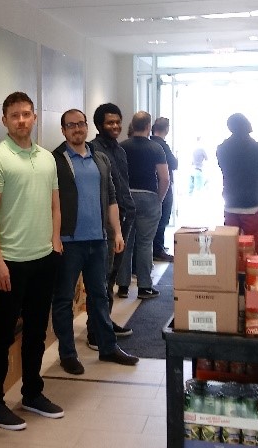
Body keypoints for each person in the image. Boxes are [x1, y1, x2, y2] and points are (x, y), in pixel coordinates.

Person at [0, 92, 64, 430]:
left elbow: (55, 204)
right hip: (11, 263)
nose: (21, 120)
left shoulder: (47, 158)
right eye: (14, 115)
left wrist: (55, 240)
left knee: (36, 331)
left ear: (34, 117)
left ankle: (32, 392)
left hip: (44, 258)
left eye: (26, 114)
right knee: (3, 335)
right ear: (4, 120)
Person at [51, 109, 139, 376]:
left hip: (98, 240)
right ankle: (68, 354)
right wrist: (54, 237)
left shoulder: (100, 158)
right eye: (71, 125)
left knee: (100, 295)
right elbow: (50, 203)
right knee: (64, 299)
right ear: (63, 130)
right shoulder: (55, 160)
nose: (77, 129)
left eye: (81, 124)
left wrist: (117, 233)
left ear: (87, 126)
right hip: (68, 243)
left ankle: (107, 346)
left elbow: (111, 198)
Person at [90, 103, 135, 341]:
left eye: (117, 122)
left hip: (124, 217)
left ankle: (105, 322)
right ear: (99, 125)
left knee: (112, 275)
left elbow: (123, 184)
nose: (115, 126)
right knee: (102, 278)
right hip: (105, 223)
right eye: (110, 122)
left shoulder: (120, 150)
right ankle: (96, 329)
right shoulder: (93, 150)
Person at [118, 111, 169, 299]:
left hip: (127, 198)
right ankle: (144, 287)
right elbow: (164, 178)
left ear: (132, 125)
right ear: (148, 127)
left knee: (126, 243)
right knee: (145, 243)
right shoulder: (156, 148)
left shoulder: (122, 147)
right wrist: (158, 199)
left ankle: (123, 286)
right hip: (148, 197)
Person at [216, 113, 258, 254]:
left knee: (231, 248)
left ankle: (232, 267)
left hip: (231, 202)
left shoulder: (222, 148)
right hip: (253, 204)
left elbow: (225, 169)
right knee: (253, 248)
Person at [150, 116, 177, 262]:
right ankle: (158, 249)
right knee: (162, 218)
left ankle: (155, 248)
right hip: (163, 187)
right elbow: (174, 164)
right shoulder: (162, 145)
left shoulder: (149, 143)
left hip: (151, 185)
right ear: (166, 129)